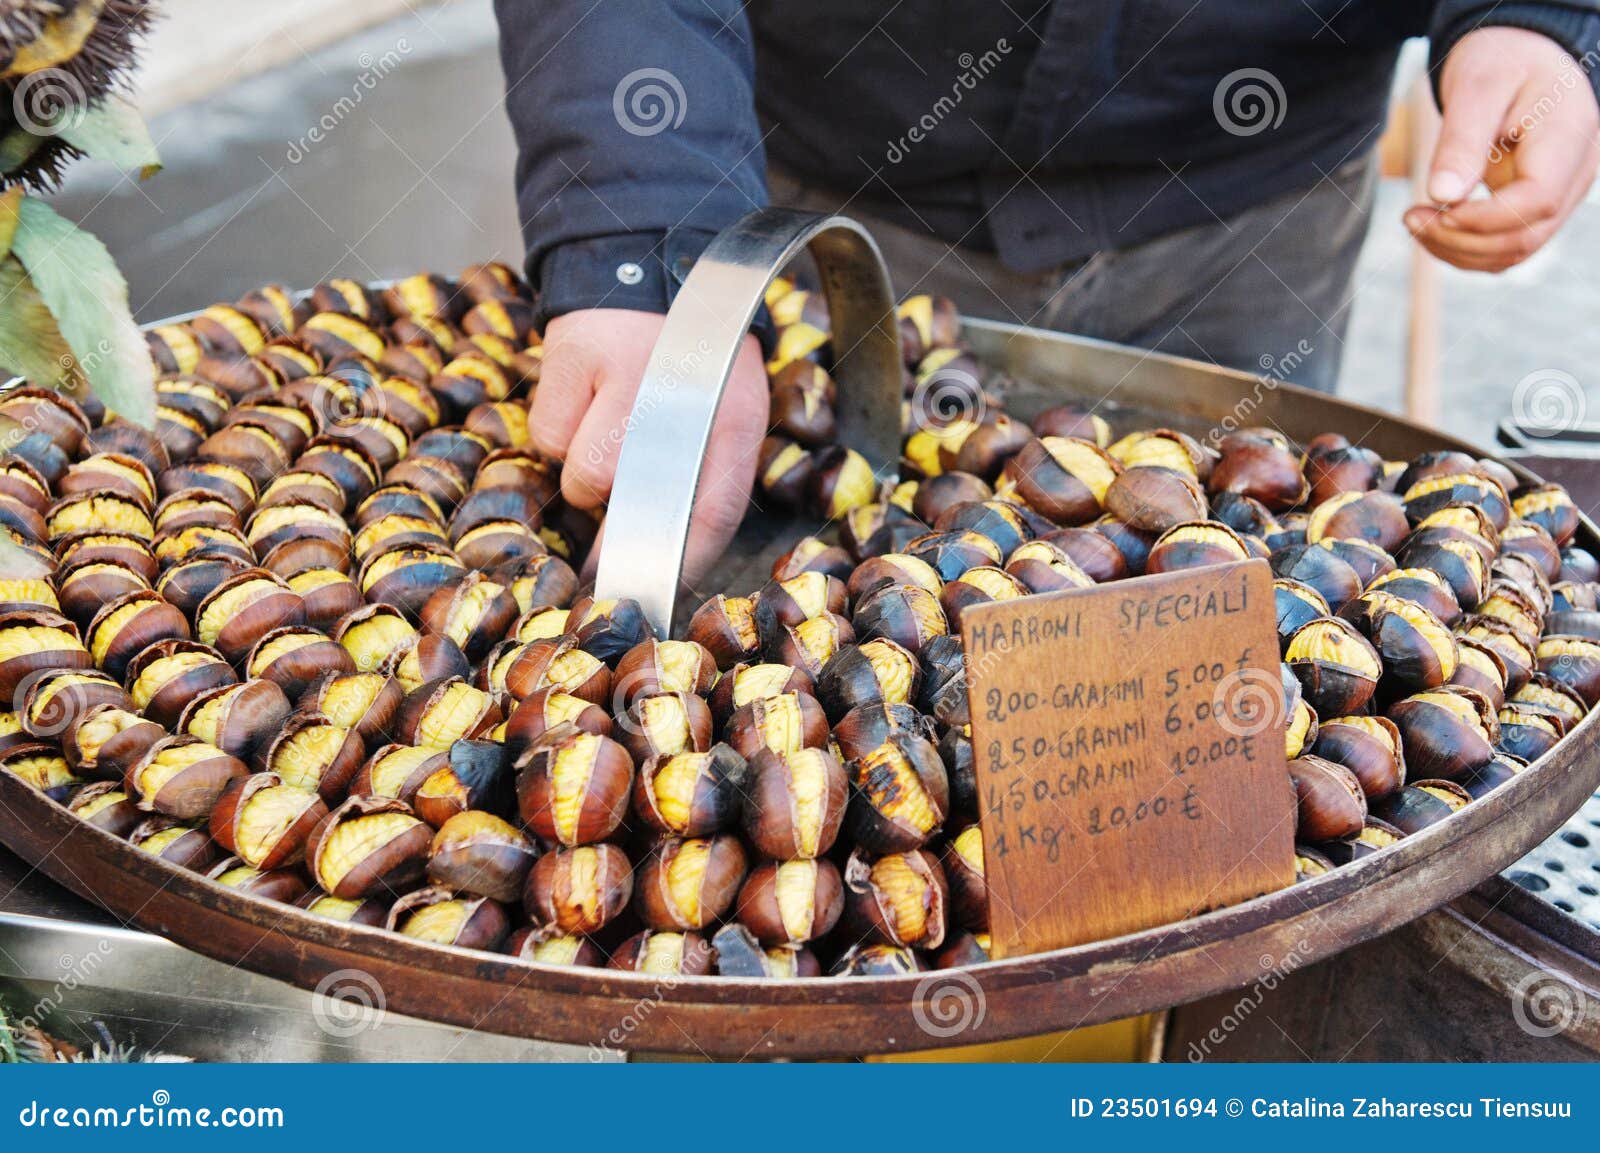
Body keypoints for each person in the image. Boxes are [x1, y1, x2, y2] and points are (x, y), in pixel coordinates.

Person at [493, 2, 1600, 581]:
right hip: (831, 172)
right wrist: (643, 234)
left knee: (1233, 688)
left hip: (1251, 188)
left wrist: (1542, 21)